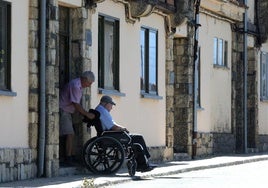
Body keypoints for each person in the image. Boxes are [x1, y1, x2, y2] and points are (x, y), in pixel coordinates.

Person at [95, 95, 157, 172]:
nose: (111, 107)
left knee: (136, 141)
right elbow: (113, 127)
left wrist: (122, 128)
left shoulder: (99, 110)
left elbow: (112, 125)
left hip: (108, 135)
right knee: (138, 138)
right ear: (105, 103)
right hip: (110, 135)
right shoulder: (103, 111)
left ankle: (143, 163)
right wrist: (122, 129)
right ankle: (143, 163)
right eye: (111, 105)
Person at [59, 71, 96, 165]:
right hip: (64, 110)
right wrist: (87, 114)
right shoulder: (75, 86)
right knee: (69, 134)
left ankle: (71, 155)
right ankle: (68, 158)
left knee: (71, 134)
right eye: (89, 83)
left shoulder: (79, 85)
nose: (89, 85)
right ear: (84, 79)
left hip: (68, 111)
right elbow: (76, 104)